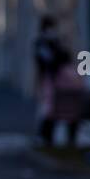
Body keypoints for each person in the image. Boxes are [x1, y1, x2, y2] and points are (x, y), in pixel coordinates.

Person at [33, 16, 70, 144]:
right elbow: (46, 60)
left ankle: (47, 135)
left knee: (50, 108)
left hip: (56, 79)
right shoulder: (42, 43)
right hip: (48, 79)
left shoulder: (55, 43)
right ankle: (45, 135)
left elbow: (65, 57)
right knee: (47, 108)